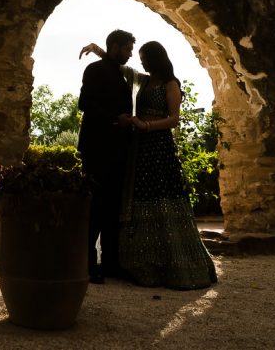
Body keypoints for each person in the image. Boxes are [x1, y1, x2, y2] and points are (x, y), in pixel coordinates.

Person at [81, 39, 217, 289]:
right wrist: (100, 50)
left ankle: (173, 261)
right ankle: (141, 261)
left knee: (161, 195)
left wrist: (145, 125)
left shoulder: (170, 84)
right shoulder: (143, 80)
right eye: (136, 53)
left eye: (143, 56)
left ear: (155, 58)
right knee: (138, 197)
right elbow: (120, 67)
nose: (139, 59)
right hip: (138, 147)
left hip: (159, 146)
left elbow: (174, 119)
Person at [76, 29, 136, 283]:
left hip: (118, 148)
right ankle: (88, 265)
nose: (130, 54)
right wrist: (115, 119)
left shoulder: (122, 74)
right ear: (114, 47)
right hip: (98, 147)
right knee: (96, 206)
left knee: (112, 208)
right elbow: (84, 104)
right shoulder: (94, 70)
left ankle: (111, 263)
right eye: (127, 49)